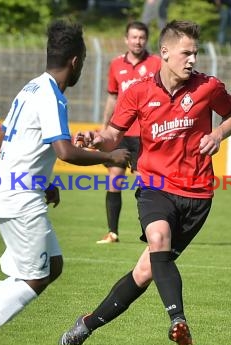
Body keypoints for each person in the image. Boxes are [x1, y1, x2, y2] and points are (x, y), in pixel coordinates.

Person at [0, 20, 130, 345]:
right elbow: (65, 151)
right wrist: (109, 156)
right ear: (76, 62)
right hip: (18, 199)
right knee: (36, 277)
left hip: (8, 189)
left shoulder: (31, 87)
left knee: (52, 265)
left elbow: (2, 138)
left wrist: (41, 180)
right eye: (84, 63)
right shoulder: (51, 97)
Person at [59, 20, 231, 345]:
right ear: (165, 52)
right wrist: (93, 138)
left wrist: (217, 134)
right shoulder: (138, 92)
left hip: (198, 194)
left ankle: (86, 324)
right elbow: (112, 136)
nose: (192, 60)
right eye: (186, 53)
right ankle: (178, 321)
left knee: (145, 272)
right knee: (158, 239)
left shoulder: (209, 87)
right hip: (155, 186)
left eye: (196, 54)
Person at [96, 21, 161, 244]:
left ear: (146, 40)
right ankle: (112, 232)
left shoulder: (156, 64)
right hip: (120, 132)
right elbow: (112, 97)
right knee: (114, 178)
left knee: (144, 183)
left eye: (142, 37)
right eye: (134, 37)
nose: (138, 41)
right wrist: (105, 128)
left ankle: (150, 232)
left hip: (144, 135)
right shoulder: (115, 65)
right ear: (126, 39)